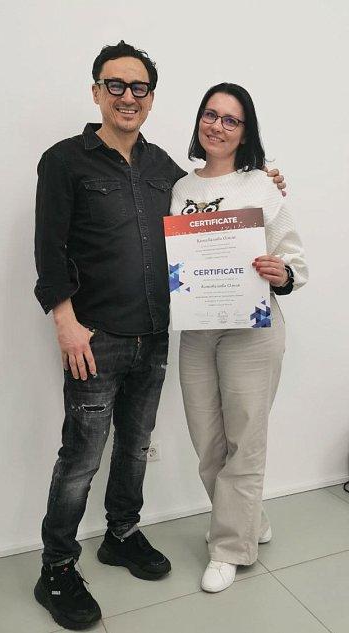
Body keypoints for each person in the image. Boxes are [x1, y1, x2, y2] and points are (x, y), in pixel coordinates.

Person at [33, 41, 286, 630]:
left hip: (154, 334)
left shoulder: (164, 170)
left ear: (150, 98)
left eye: (139, 87)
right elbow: (49, 249)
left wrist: (263, 180)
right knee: (80, 457)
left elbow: (213, 205)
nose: (128, 96)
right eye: (115, 85)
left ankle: (120, 534)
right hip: (94, 337)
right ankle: (57, 567)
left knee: (135, 445)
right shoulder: (64, 161)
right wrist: (66, 324)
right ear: (96, 91)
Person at [170, 83, 308, 594]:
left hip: (252, 329)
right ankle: (249, 519)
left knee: (244, 439)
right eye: (211, 115)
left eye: (231, 119)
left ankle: (230, 547)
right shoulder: (179, 189)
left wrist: (281, 273)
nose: (218, 126)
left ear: (245, 132)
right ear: (199, 121)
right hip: (197, 328)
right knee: (207, 441)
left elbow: (294, 261)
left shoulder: (262, 186)